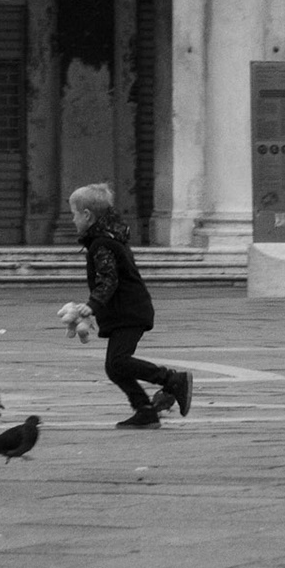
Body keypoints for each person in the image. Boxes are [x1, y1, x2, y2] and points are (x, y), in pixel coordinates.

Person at [69, 183, 192, 429]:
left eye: (74, 214)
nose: (72, 220)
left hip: (129, 312)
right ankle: (145, 411)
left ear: (87, 215)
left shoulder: (102, 244)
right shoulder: (110, 238)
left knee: (118, 362)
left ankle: (172, 379)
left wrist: (92, 305)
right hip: (126, 311)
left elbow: (109, 279)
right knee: (115, 367)